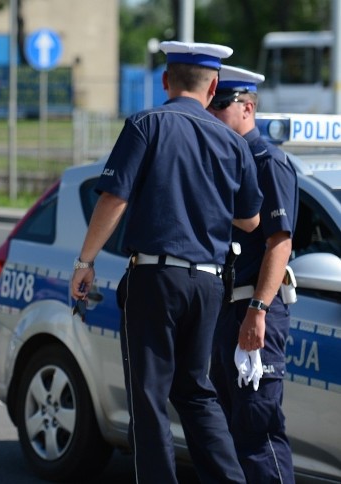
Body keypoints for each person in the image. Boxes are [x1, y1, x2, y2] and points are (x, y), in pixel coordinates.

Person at [70, 41, 263, 483]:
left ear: (165, 81)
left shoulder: (146, 124)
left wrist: (85, 261)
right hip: (210, 284)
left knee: (150, 394)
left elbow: (114, 197)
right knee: (197, 393)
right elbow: (251, 220)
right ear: (214, 86)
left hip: (156, 278)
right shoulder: (232, 143)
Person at [207, 65, 297, 484]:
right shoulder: (222, 163)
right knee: (224, 435)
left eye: (221, 104)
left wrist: (258, 310)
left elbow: (280, 243)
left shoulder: (268, 161)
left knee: (257, 433)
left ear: (248, 107)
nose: (214, 112)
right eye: (211, 103)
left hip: (253, 310)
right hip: (224, 311)